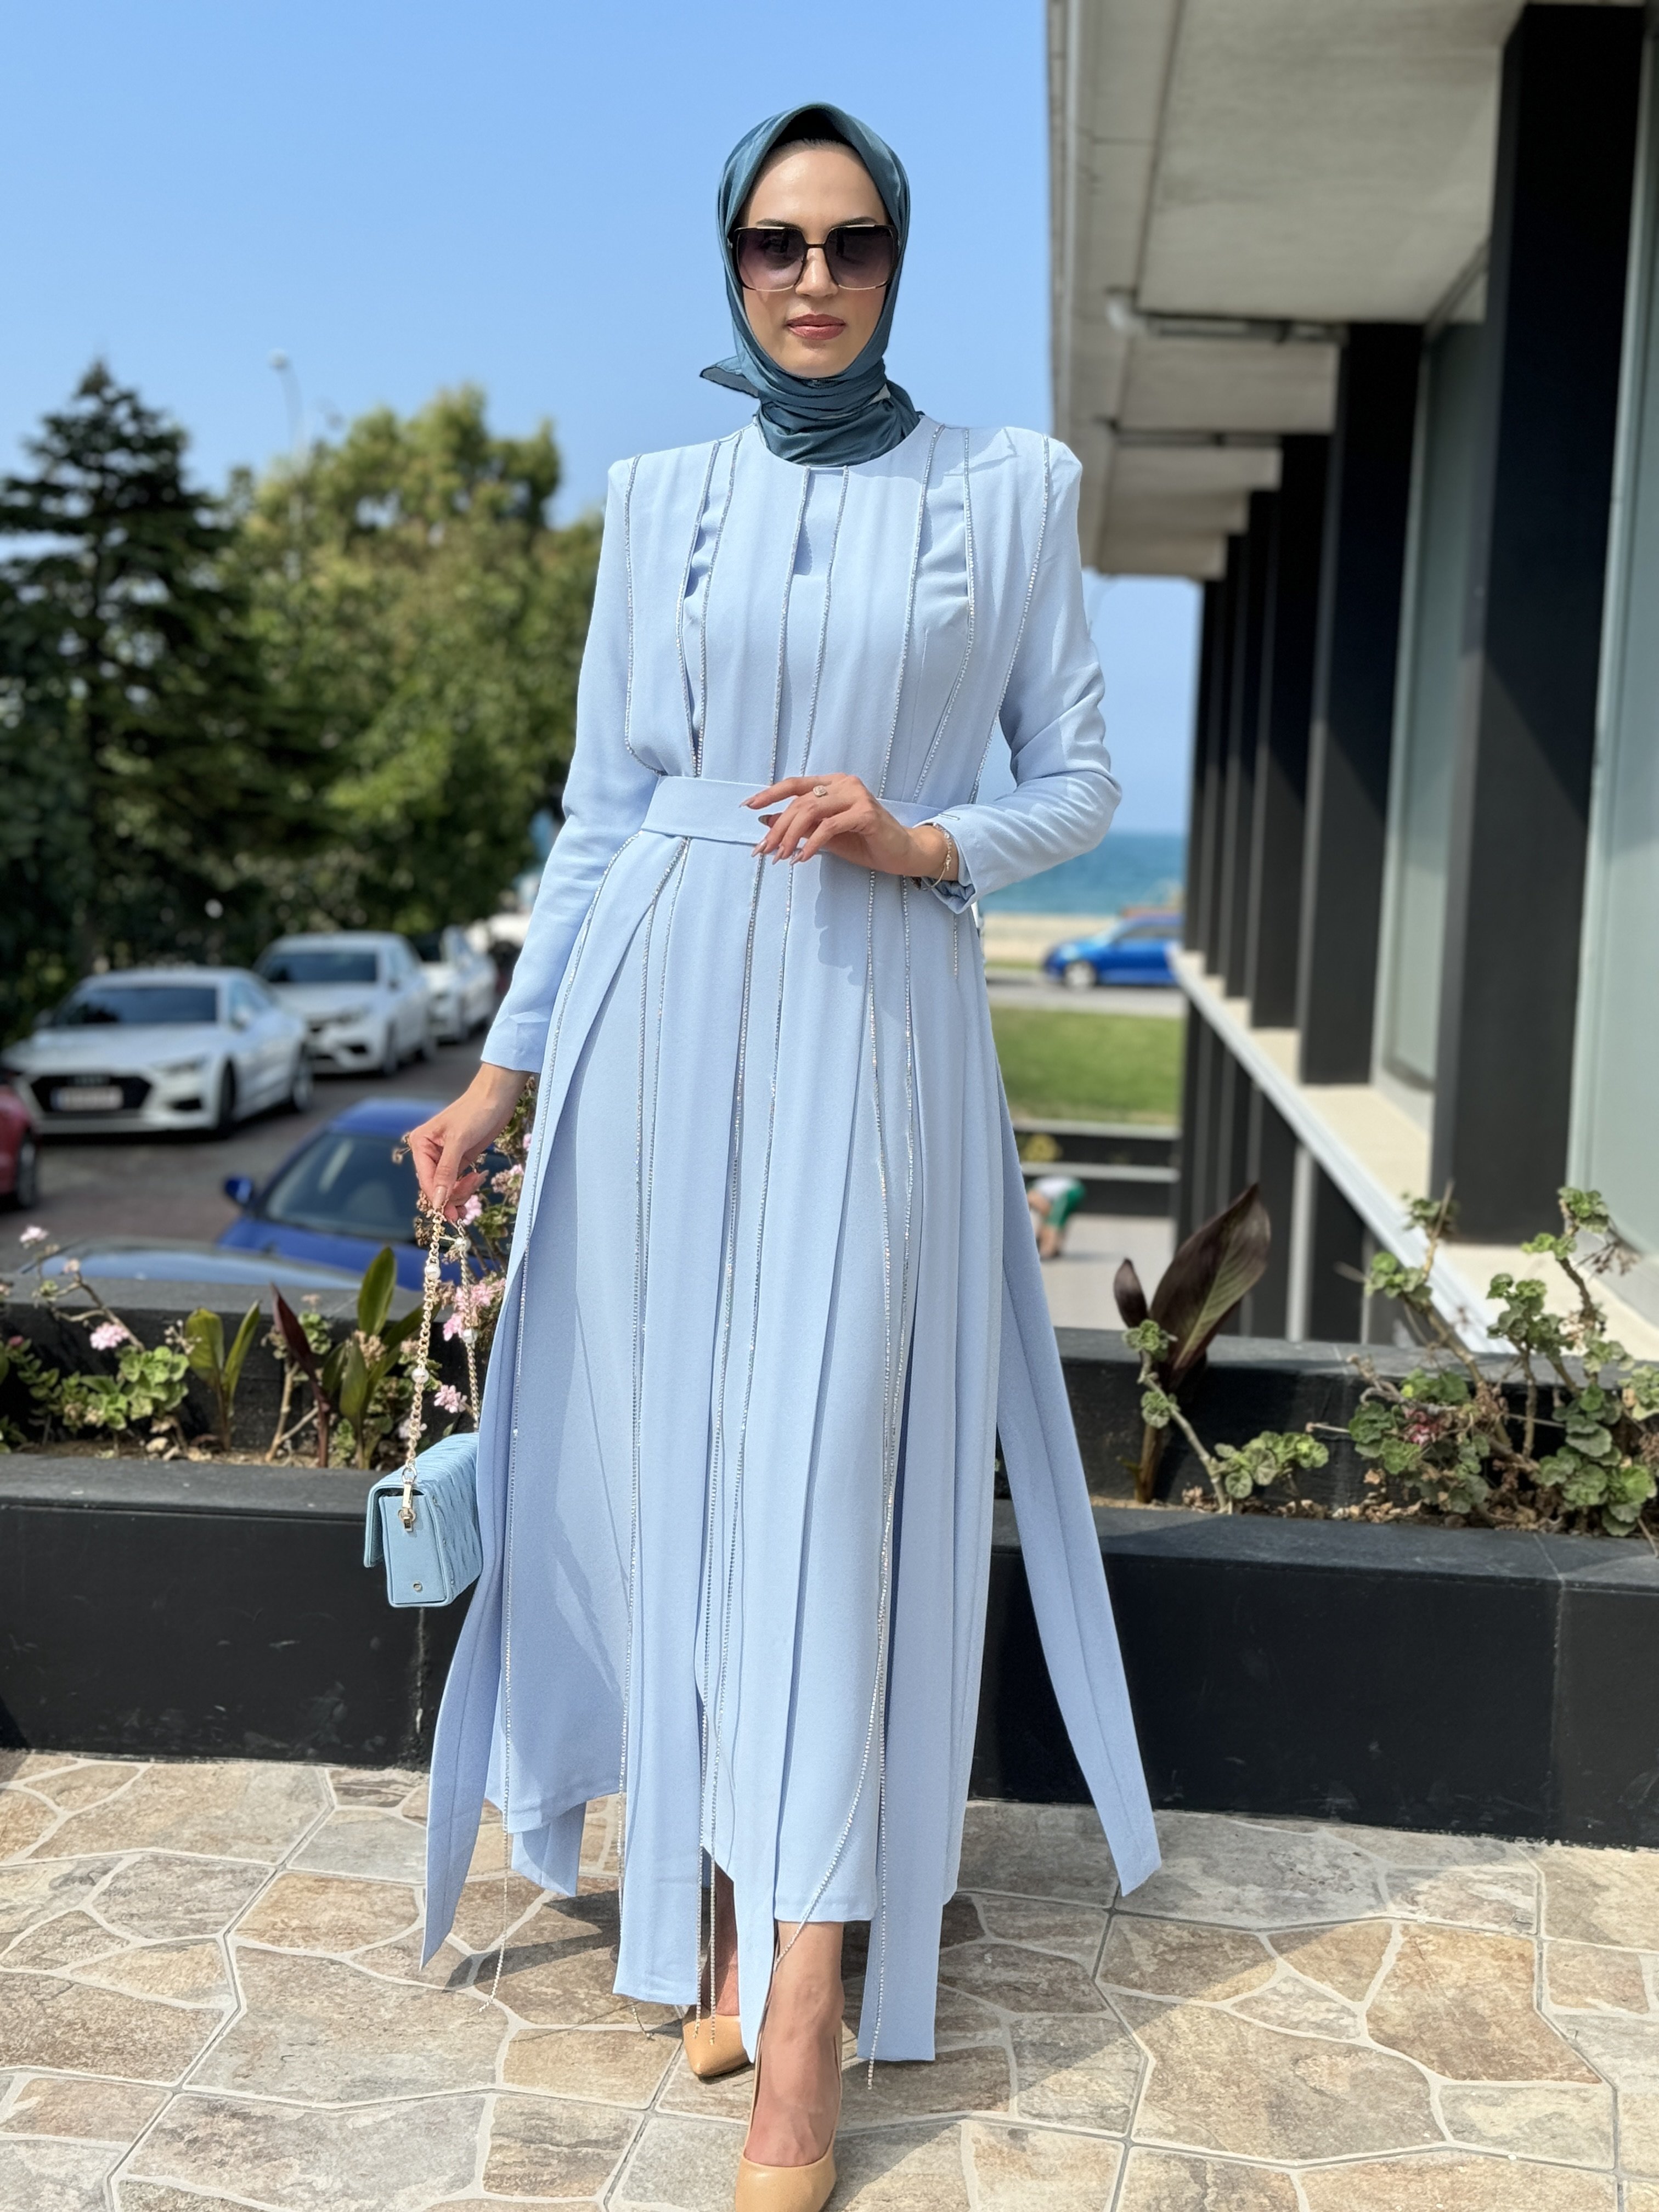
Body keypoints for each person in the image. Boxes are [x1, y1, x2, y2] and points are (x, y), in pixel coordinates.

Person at [408, 101, 1157, 2212]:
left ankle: (807, 2010)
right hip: (657, 1022)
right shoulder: (658, 502)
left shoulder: (1008, 490)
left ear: (895, 261)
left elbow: (1079, 776)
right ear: (729, 264)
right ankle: (732, 1929)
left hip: (871, 1019)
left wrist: (923, 838)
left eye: (846, 242)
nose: (808, 276)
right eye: (770, 242)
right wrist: (498, 1076)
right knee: (689, 1486)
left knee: (823, 1486)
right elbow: (597, 813)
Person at [1029, 1171, 1087, 1260]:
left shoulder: (1029, 1192)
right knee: (1059, 1222)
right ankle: (1055, 1249)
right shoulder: (1035, 1187)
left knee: (1053, 1222)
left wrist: (1041, 1233)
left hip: (1069, 1192)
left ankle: (1047, 1252)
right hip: (1076, 1189)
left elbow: (1046, 1210)